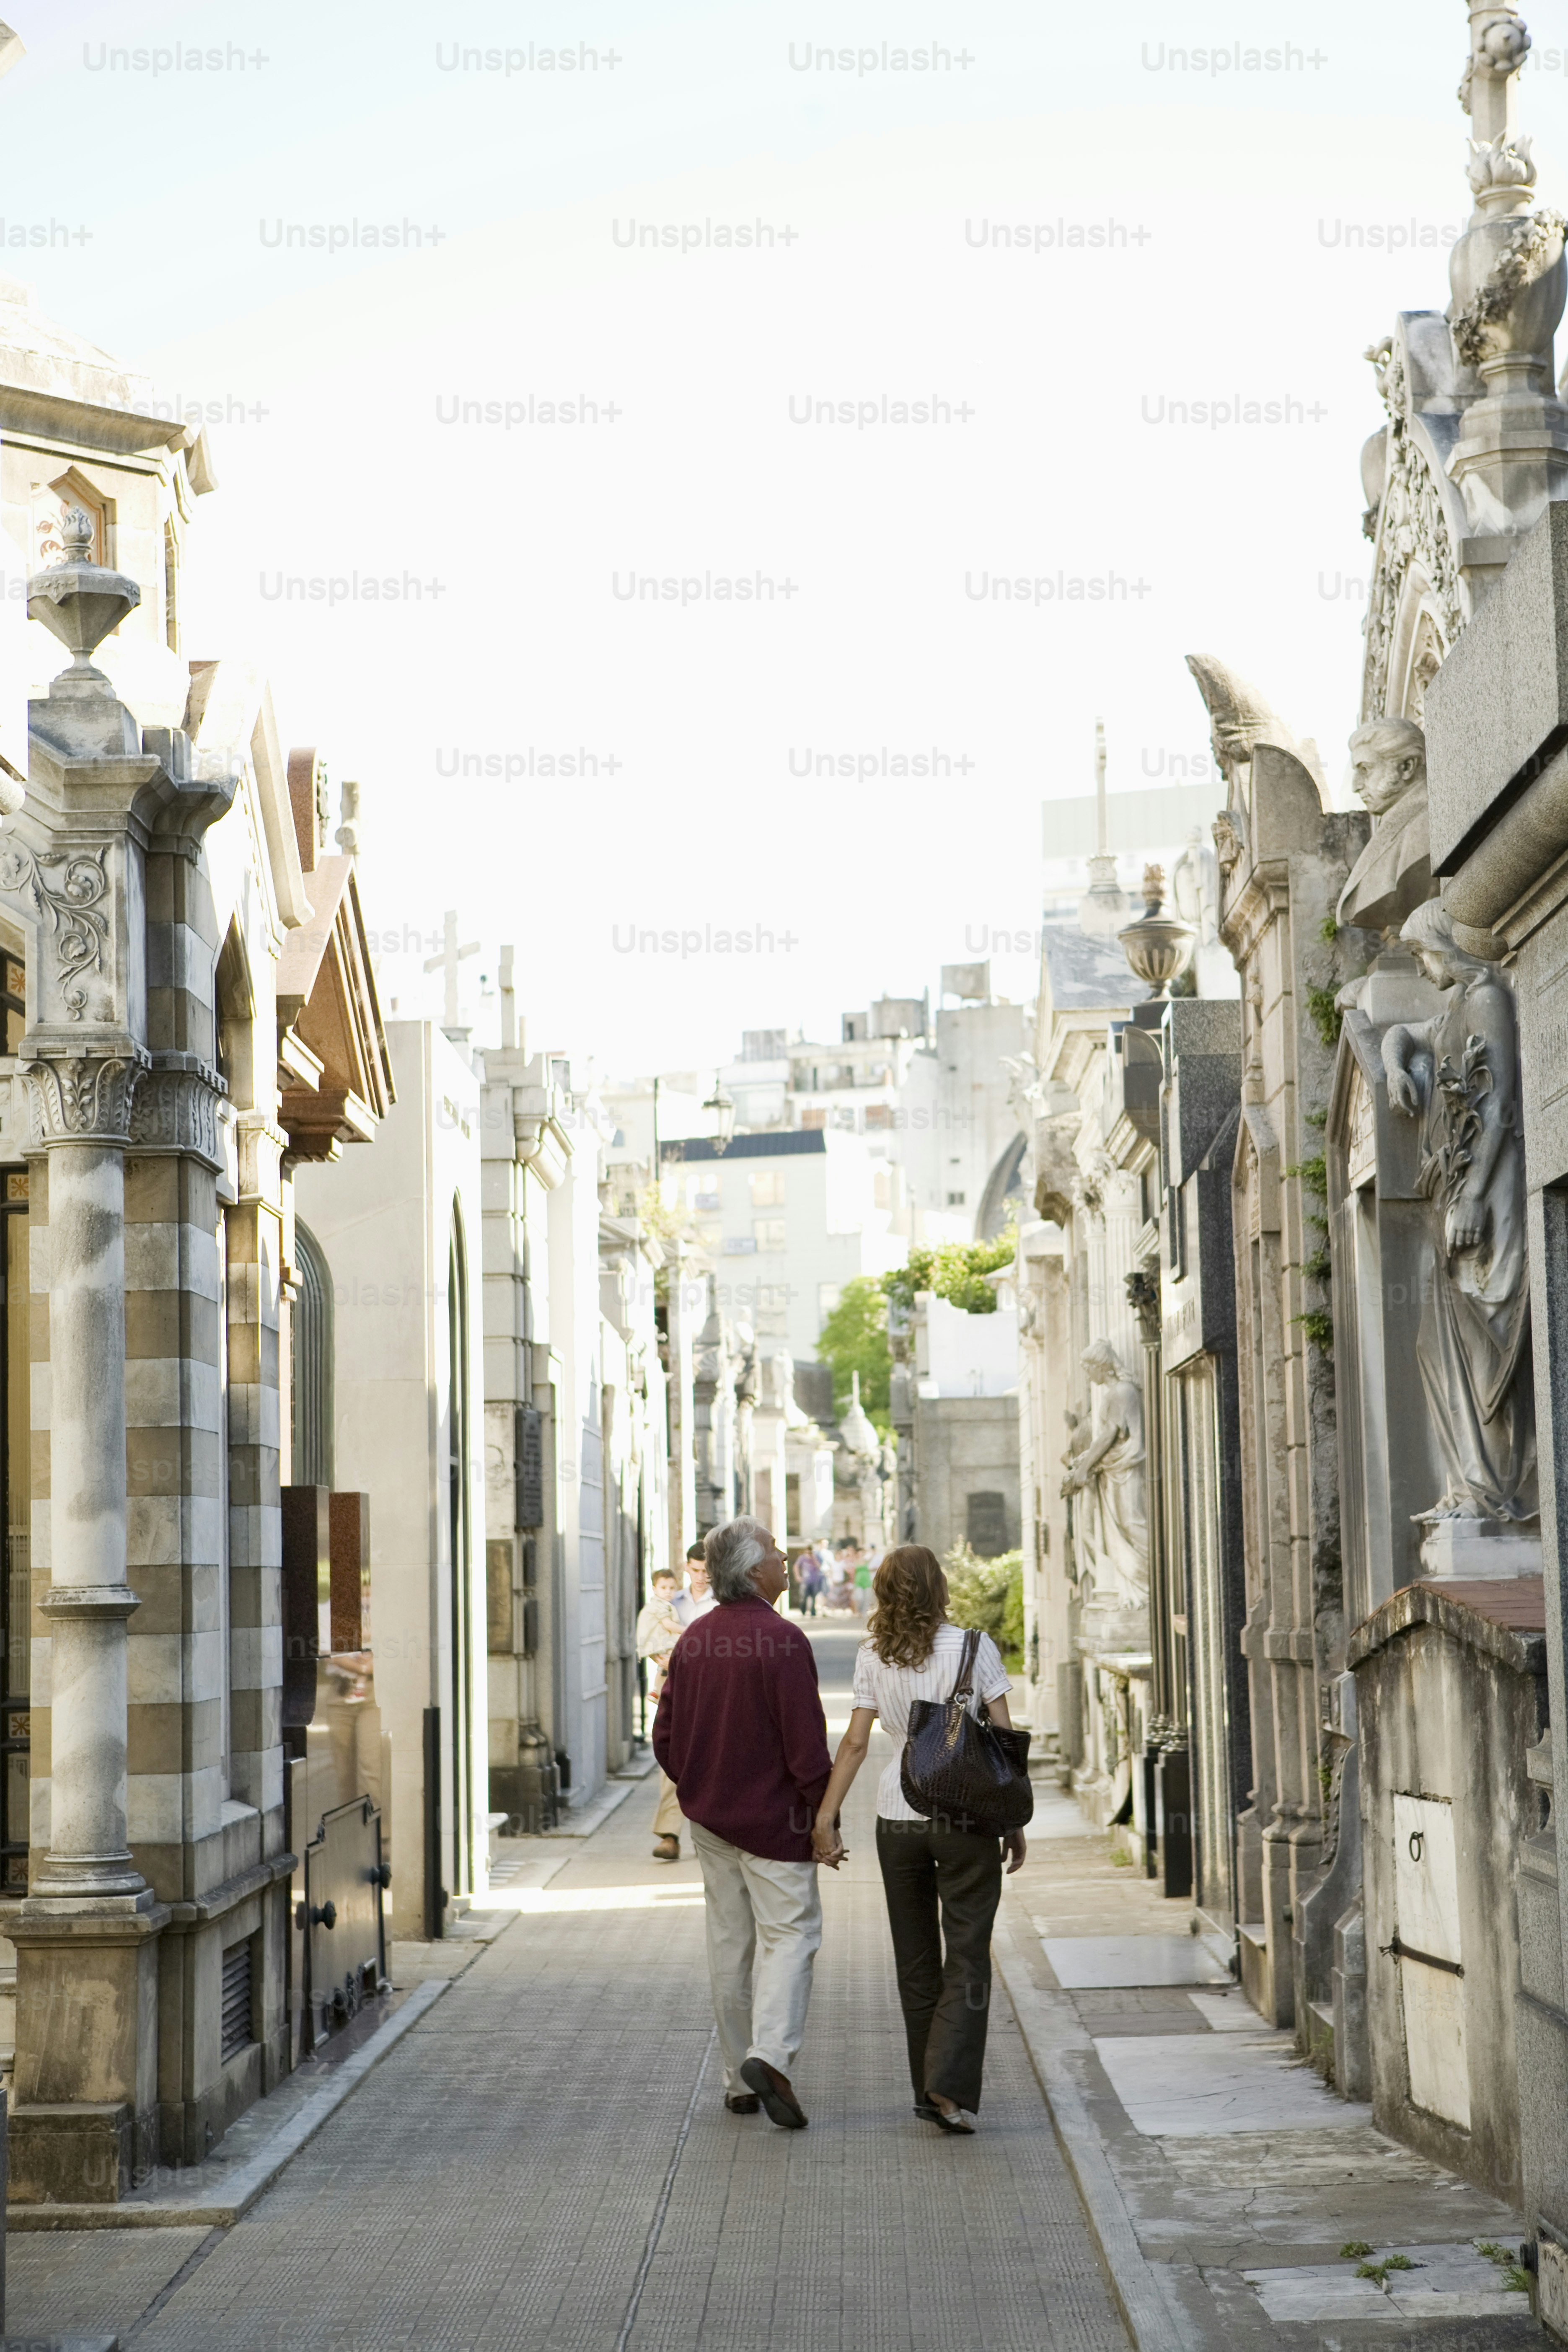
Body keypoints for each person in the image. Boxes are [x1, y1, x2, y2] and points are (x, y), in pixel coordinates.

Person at [812, 1544, 1025, 2135]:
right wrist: (1013, 1821)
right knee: (967, 1954)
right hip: (965, 1817)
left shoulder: (871, 1655)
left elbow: (854, 1744)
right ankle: (948, 2087)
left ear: (882, 1591)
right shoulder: (976, 1648)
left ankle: (926, 2092)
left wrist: (826, 1817)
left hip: (896, 1815)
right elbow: (1004, 1742)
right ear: (940, 1587)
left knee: (914, 1958)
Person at [654, 1516, 831, 2129]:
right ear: (755, 1570)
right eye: (778, 1553)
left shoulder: (695, 1640)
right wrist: (822, 1815)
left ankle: (737, 2080)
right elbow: (806, 1746)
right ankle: (770, 2055)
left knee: (729, 1945)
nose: (785, 1560)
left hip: (709, 1818)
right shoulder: (782, 1640)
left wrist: (695, 1784)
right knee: (791, 1935)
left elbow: (665, 1737)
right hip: (775, 1821)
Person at [635, 1567, 687, 1862]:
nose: (701, 1575)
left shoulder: (723, 1601)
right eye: (695, 1569)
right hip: (675, 1688)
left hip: (712, 1689)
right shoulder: (671, 1603)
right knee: (672, 1756)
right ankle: (670, 1835)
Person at [676, 1540, 717, 1625]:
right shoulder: (674, 1601)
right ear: (686, 1567)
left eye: (706, 1571)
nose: (700, 1578)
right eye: (695, 1570)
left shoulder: (720, 1604)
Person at [798, 1545, 825, 1617]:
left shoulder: (817, 1557)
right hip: (805, 1581)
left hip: (815, 1580)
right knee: (804, 1597)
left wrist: (813, 1558)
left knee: (814, 1597)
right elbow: (796, 1566)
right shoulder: (802, 1558)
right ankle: (803, 1611)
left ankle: (813, 1611)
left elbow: (819, 1566)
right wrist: (798, 1576)